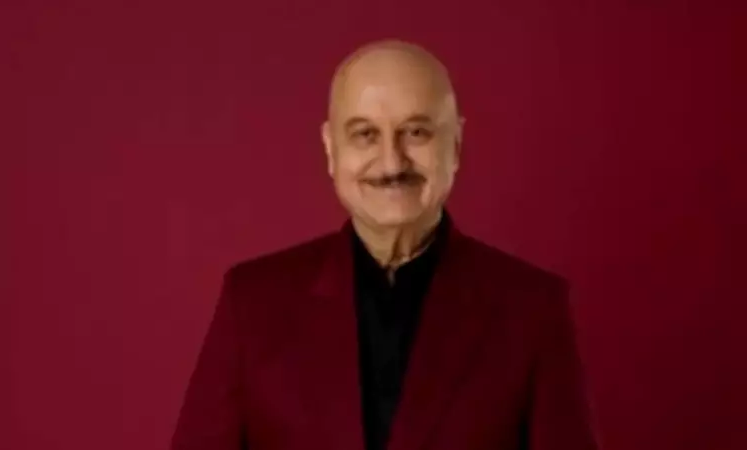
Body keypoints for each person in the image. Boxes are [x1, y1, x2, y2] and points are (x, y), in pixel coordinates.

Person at [172, 40, 598, 450]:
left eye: (416, 132)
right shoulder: (251, 303)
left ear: (455, 144)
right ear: (331, 149)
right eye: (365, 134)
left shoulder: (533, 310)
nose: (392, 162)